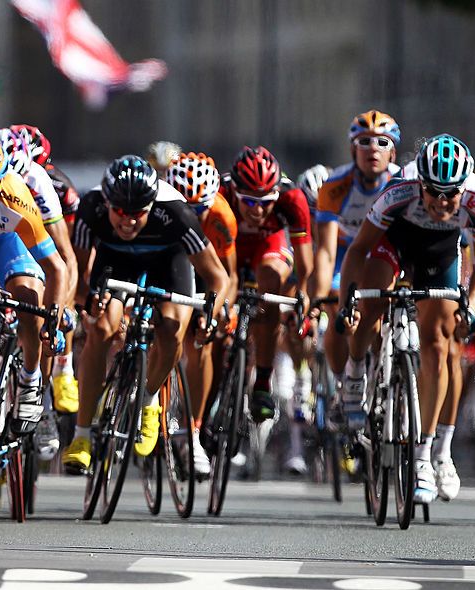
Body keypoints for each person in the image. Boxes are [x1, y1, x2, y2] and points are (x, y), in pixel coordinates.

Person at [339, 133, 475, 505]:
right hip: (395, 241)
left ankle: (428, 456)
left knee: (440, 342)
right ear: (420, 184)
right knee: (371, 306)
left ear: (464, 189)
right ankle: (354, 371)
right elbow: (359, 249)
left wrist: (471, 308)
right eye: (434, 193)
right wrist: (350, 301)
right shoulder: (398, 191)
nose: (443, 203)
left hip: (440, 253)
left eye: (451, 194)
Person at [61, 155, 228, 474]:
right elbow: (78, 274)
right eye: (120, 212)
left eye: (137, 214)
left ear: (152, 206)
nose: (127, 221)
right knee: (101, 330)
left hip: (167, 262)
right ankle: (82, 436)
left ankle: (150, 400)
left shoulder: (176, 213)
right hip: (114, 263)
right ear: (107, 202)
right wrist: (87, 305)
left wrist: (210, 314)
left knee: (171, 330)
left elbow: (218, 277)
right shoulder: (91, 208)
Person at [0, 133, 68, 434]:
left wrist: (53, 313)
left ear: (2, 184)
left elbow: (56, 267)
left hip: (6, 245)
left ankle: (30, 382)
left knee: (30, 300)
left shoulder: (16, 196)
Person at [308, 110, 401, 430]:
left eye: (382, 142)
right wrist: (318, 297)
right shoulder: (335, 186)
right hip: (347, 253)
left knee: (382, 308)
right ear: (352, 149)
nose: (372, 149)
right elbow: (325, 250)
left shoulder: (402, 183)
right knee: (338, 310)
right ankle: (343, 382)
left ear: (393, 151)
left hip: (386, 252)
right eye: (364, 142)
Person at [222, 146, 314, 423]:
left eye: (266, 201)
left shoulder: (292, 198)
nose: (258, 209)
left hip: (268, 248)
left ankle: (262, 381)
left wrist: (304, 297)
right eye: (249, 201)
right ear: (235, 191)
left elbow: (305, 263)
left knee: (270, 283)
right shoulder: (220, 195)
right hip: (230, 250)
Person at [166, 152, 238, 477]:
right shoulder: (162, 207)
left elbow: (228, 275)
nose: (192, 214)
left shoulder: (222, 216)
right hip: (170, 264)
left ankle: (193, 431)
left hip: (206, 273)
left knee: (204, 343)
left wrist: (219, 309)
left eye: (199, 209)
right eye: (187, 207)